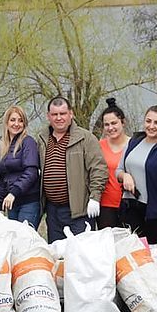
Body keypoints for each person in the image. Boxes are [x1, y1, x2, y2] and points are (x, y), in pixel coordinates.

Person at [37, 97, 107, 243]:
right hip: (52, 210)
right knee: (58, 254)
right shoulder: (42, 139)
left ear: (71, 114)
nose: (59, 118)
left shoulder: (86, 138)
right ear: (48, 116)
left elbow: (98, 169)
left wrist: (95, 197)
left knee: (81, 253)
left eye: (63, 113)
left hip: (78, 210)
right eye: (55, 114)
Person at [116, 106, 157, 244]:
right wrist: (125, 176)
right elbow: (119, 170)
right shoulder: (133, 142)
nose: (151, 126)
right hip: (131, 207)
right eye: (148, 121)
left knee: (154, 256)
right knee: (133, 253)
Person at [0, 106, 40, 226]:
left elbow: (31, 172)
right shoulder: (2, 144)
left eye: (20, 120)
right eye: (13, 120)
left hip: (28, 201)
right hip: (11, 202)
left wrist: (14, 193)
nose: (16, 124)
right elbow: (2, 176)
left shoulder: (28, 142)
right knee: (14, 239)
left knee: (25, 238)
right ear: (6, 122)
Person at [98, 98, 130, 229]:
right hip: (105, 205)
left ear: (123, 122)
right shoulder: (98, 146)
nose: (110, 128)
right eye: (106, 125)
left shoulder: (134, 145)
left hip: (129, 204)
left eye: (114, 123)